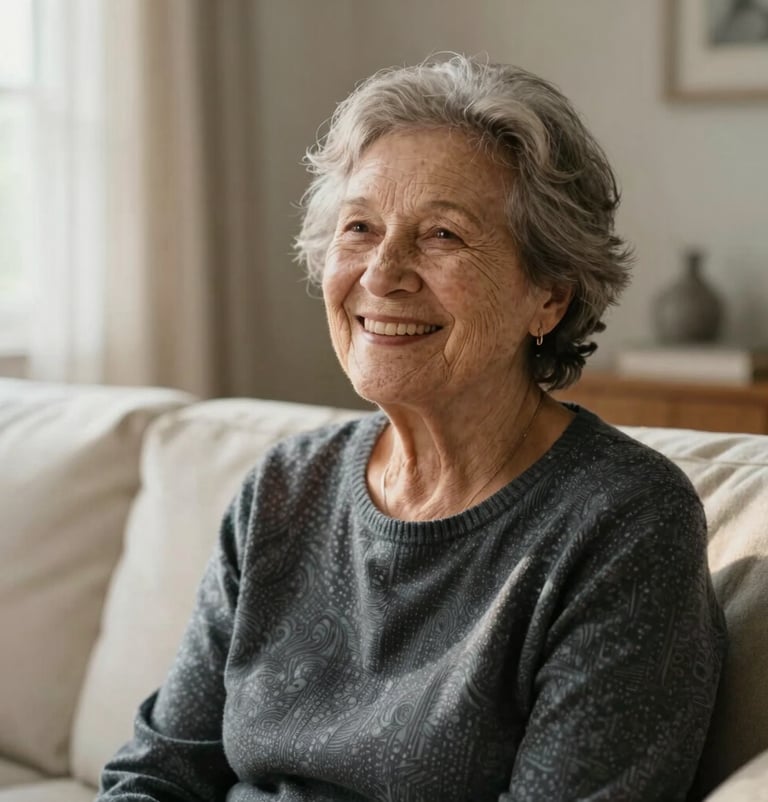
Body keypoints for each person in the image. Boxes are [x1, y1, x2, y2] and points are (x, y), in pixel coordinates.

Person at [97, 54, 726, 802]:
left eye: (442, 236)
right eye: (360, 227)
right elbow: (159, 770)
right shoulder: (286, 488)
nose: (383, 272)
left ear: (549, 298)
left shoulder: (622, 522)